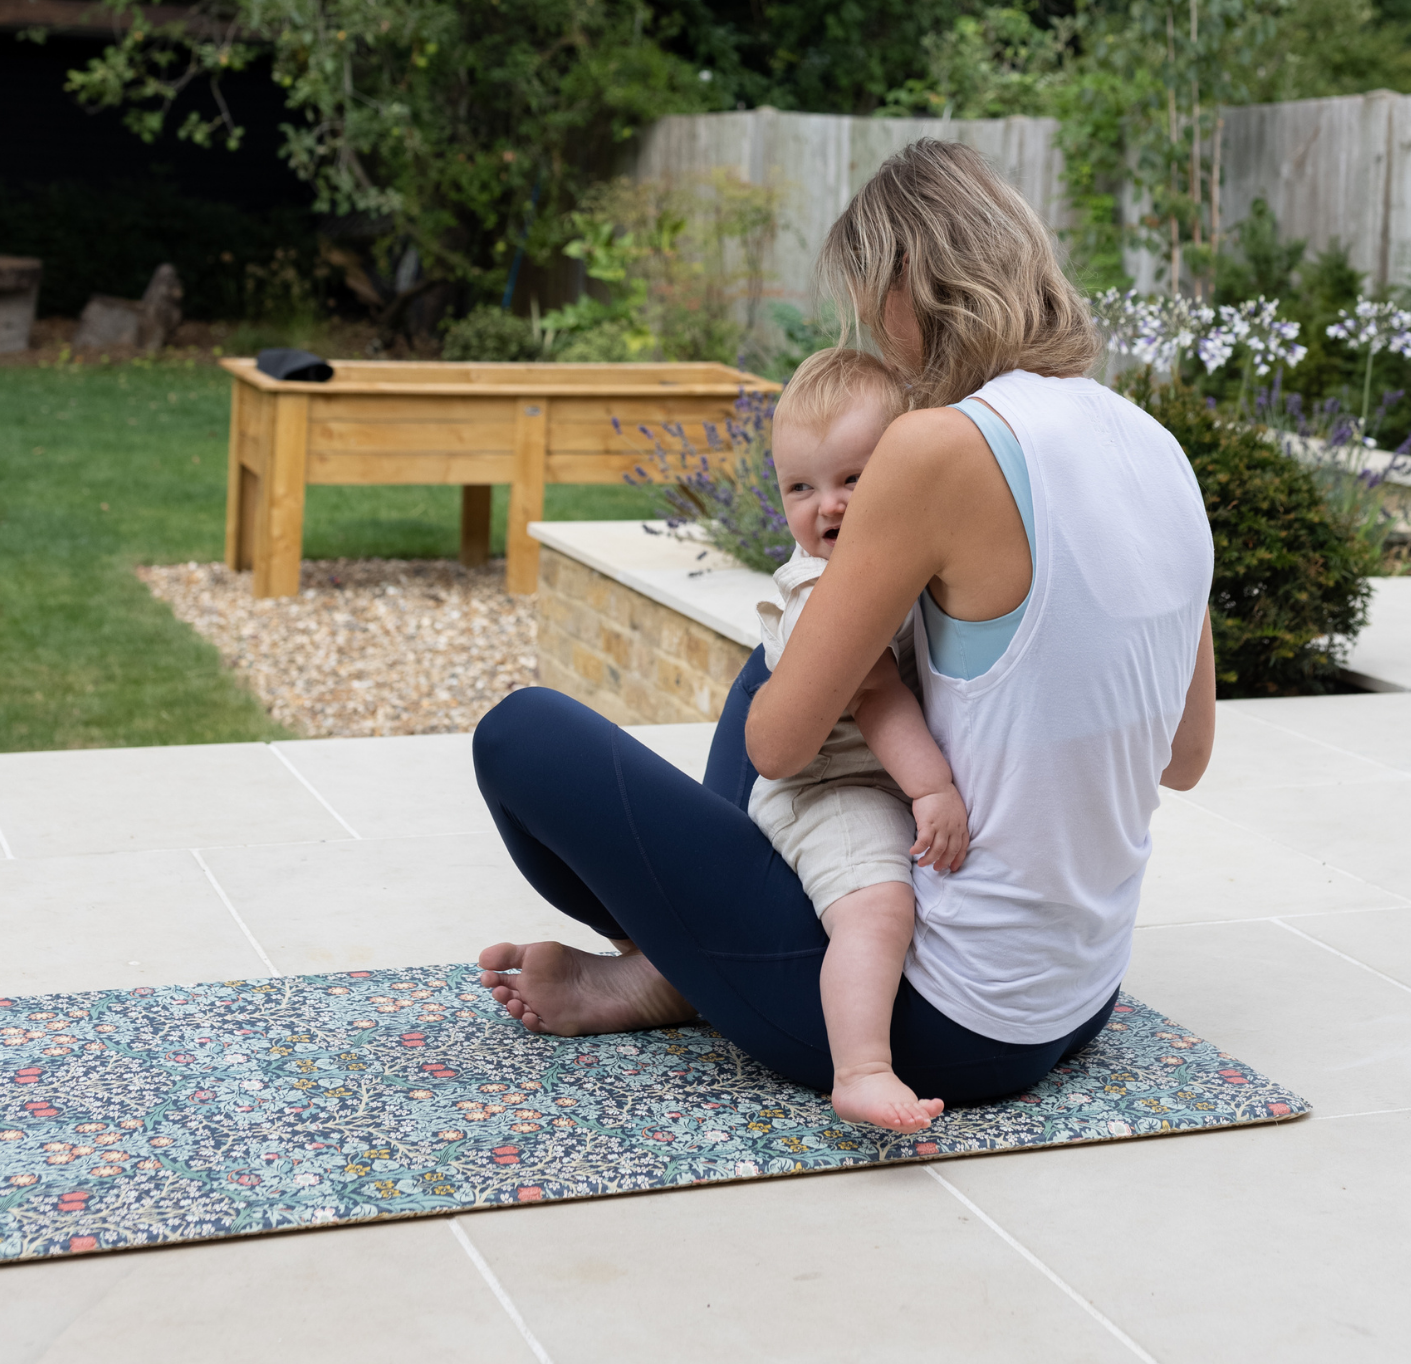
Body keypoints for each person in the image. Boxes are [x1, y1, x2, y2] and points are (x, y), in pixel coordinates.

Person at [474, 139, 1216, 1122]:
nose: (873, 330)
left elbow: (778, 746)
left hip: (939, 1020)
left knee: (522, 734)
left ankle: (684, 966)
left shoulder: (937, 446)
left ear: (909, 281)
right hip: (1076, 1001)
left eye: (870, 300)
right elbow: (1185, 758)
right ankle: (687, 967)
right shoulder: (1160, 448)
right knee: (805, 639)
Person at [751, 346, 969, 1129]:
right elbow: (875, 694)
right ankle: (863, 1069)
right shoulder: (824, 586)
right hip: (829, 787)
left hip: (861, 773)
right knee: (878, 907)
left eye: (852, 478)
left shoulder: (883, 561)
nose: (828, 506)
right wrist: (931, 787)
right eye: (801, 488)